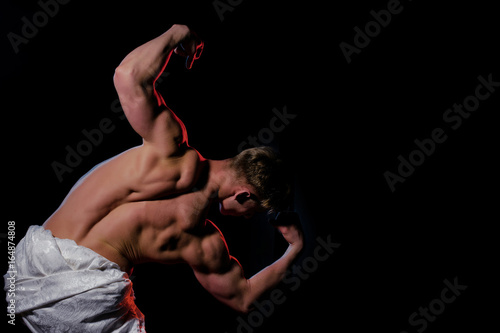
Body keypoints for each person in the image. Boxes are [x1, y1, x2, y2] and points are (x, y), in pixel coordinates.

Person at [5, 24, 303, 332]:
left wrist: (177, 34)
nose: (244, 218)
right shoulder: (202, 242)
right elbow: (243, 298)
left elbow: (127, 75)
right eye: (251, 212)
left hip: (29, 270)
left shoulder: (169, 148)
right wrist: (294, 249)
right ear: (244, 195)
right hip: (84, 304)